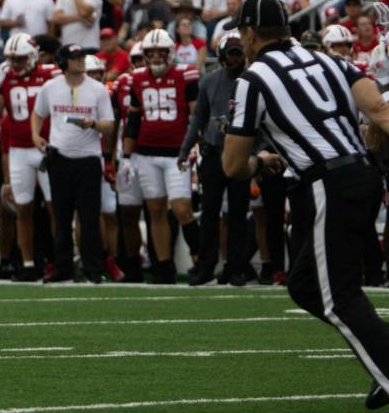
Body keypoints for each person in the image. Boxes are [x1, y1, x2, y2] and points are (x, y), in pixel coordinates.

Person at [224, 0, 389, 413]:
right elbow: (382, 111)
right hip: (364, 174)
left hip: (325, 183)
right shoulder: (334, 62)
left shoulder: (253, 78)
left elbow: (232, 164)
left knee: (337, 297)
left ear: (250, 33)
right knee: (306, 284)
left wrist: (261, 161)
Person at [121, 27, 199, 282]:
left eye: (160, 52)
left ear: (171, 52)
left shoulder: (185, 74)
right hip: (145, 153)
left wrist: (195, 146)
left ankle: (201, 260)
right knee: (154, 210)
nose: (155, 56)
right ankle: (163, 267)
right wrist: (126, 156)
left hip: (177, 153)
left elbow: (195, 115)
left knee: (181, 209)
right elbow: (133, 119)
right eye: (150, 52)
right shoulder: (137, 78)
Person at [33, 45, 112, 282]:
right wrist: (35, 136)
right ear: (63, 62)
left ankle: (93, 269)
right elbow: (38, 113)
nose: (81, 61)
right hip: (60, 157)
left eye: (82, 57)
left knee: (89, 218)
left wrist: (93, 124)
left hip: (88, 158)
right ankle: (62, 268)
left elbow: (109, 124)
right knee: (61, 217)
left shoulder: (98, 89)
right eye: (76, 58)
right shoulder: (50, 87)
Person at [0, 32, 56, 280]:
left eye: (20, 58)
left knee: (54, 207)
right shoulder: (6, 78)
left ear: (34, 56)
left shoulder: (50, 74)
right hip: (18, 150)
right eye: (12, 59)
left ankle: (58, 261)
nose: (15, 64)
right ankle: (27, 264)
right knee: (22, 208)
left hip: (46, 147)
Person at [186, 29, 253, 285]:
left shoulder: (252, 81)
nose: (236, 58)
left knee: (237, 213)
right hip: (213, 153)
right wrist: (186, 150)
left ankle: (235, 267)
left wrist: (258, 153)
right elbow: (198, 119)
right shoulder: (209, 82)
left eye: (239, 53)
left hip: (240, 153)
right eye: (232, 53)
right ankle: (206, 266)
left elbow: (262, 121)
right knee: (210, 212)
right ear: (223, 56)